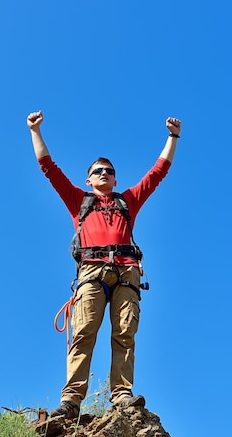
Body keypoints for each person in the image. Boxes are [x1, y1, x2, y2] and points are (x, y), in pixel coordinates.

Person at [27, 110, 181, 419]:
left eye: (109, 171)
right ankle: (71, 401)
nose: (104, 174)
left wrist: (173, 137)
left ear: (115, 178)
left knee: (125, 333)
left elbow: (157, 173)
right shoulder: (80, 201)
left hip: (127, 271)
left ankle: (121, 395)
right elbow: (49, 168)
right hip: (92, 271)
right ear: (88, 179)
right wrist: (35, 131)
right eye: (98, 171)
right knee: (83, 332)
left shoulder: (127, 201)